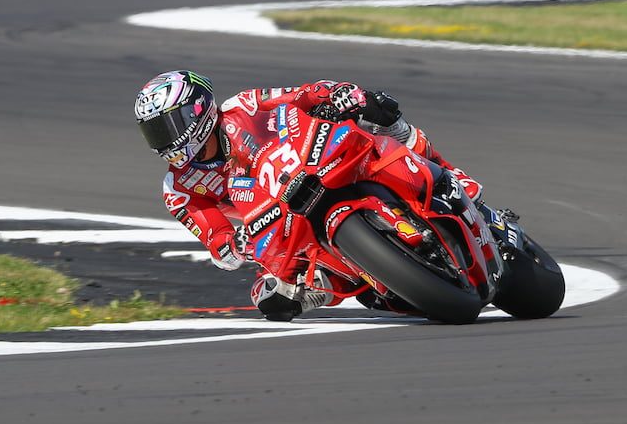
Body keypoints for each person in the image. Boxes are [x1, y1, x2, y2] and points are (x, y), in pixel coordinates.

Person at [135, 70, 483, 321]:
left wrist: (335, 95)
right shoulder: (179, 189)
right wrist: (233, 245)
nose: (165, 138)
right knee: (269, 299)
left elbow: (300, 95)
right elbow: (217, 240)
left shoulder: (243, 106)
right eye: (154, 132)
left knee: (378, 116)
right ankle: (331, 286)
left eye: (169, 124)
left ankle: (451, 178)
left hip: (314, 161)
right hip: (281, 225)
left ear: (198, 110)